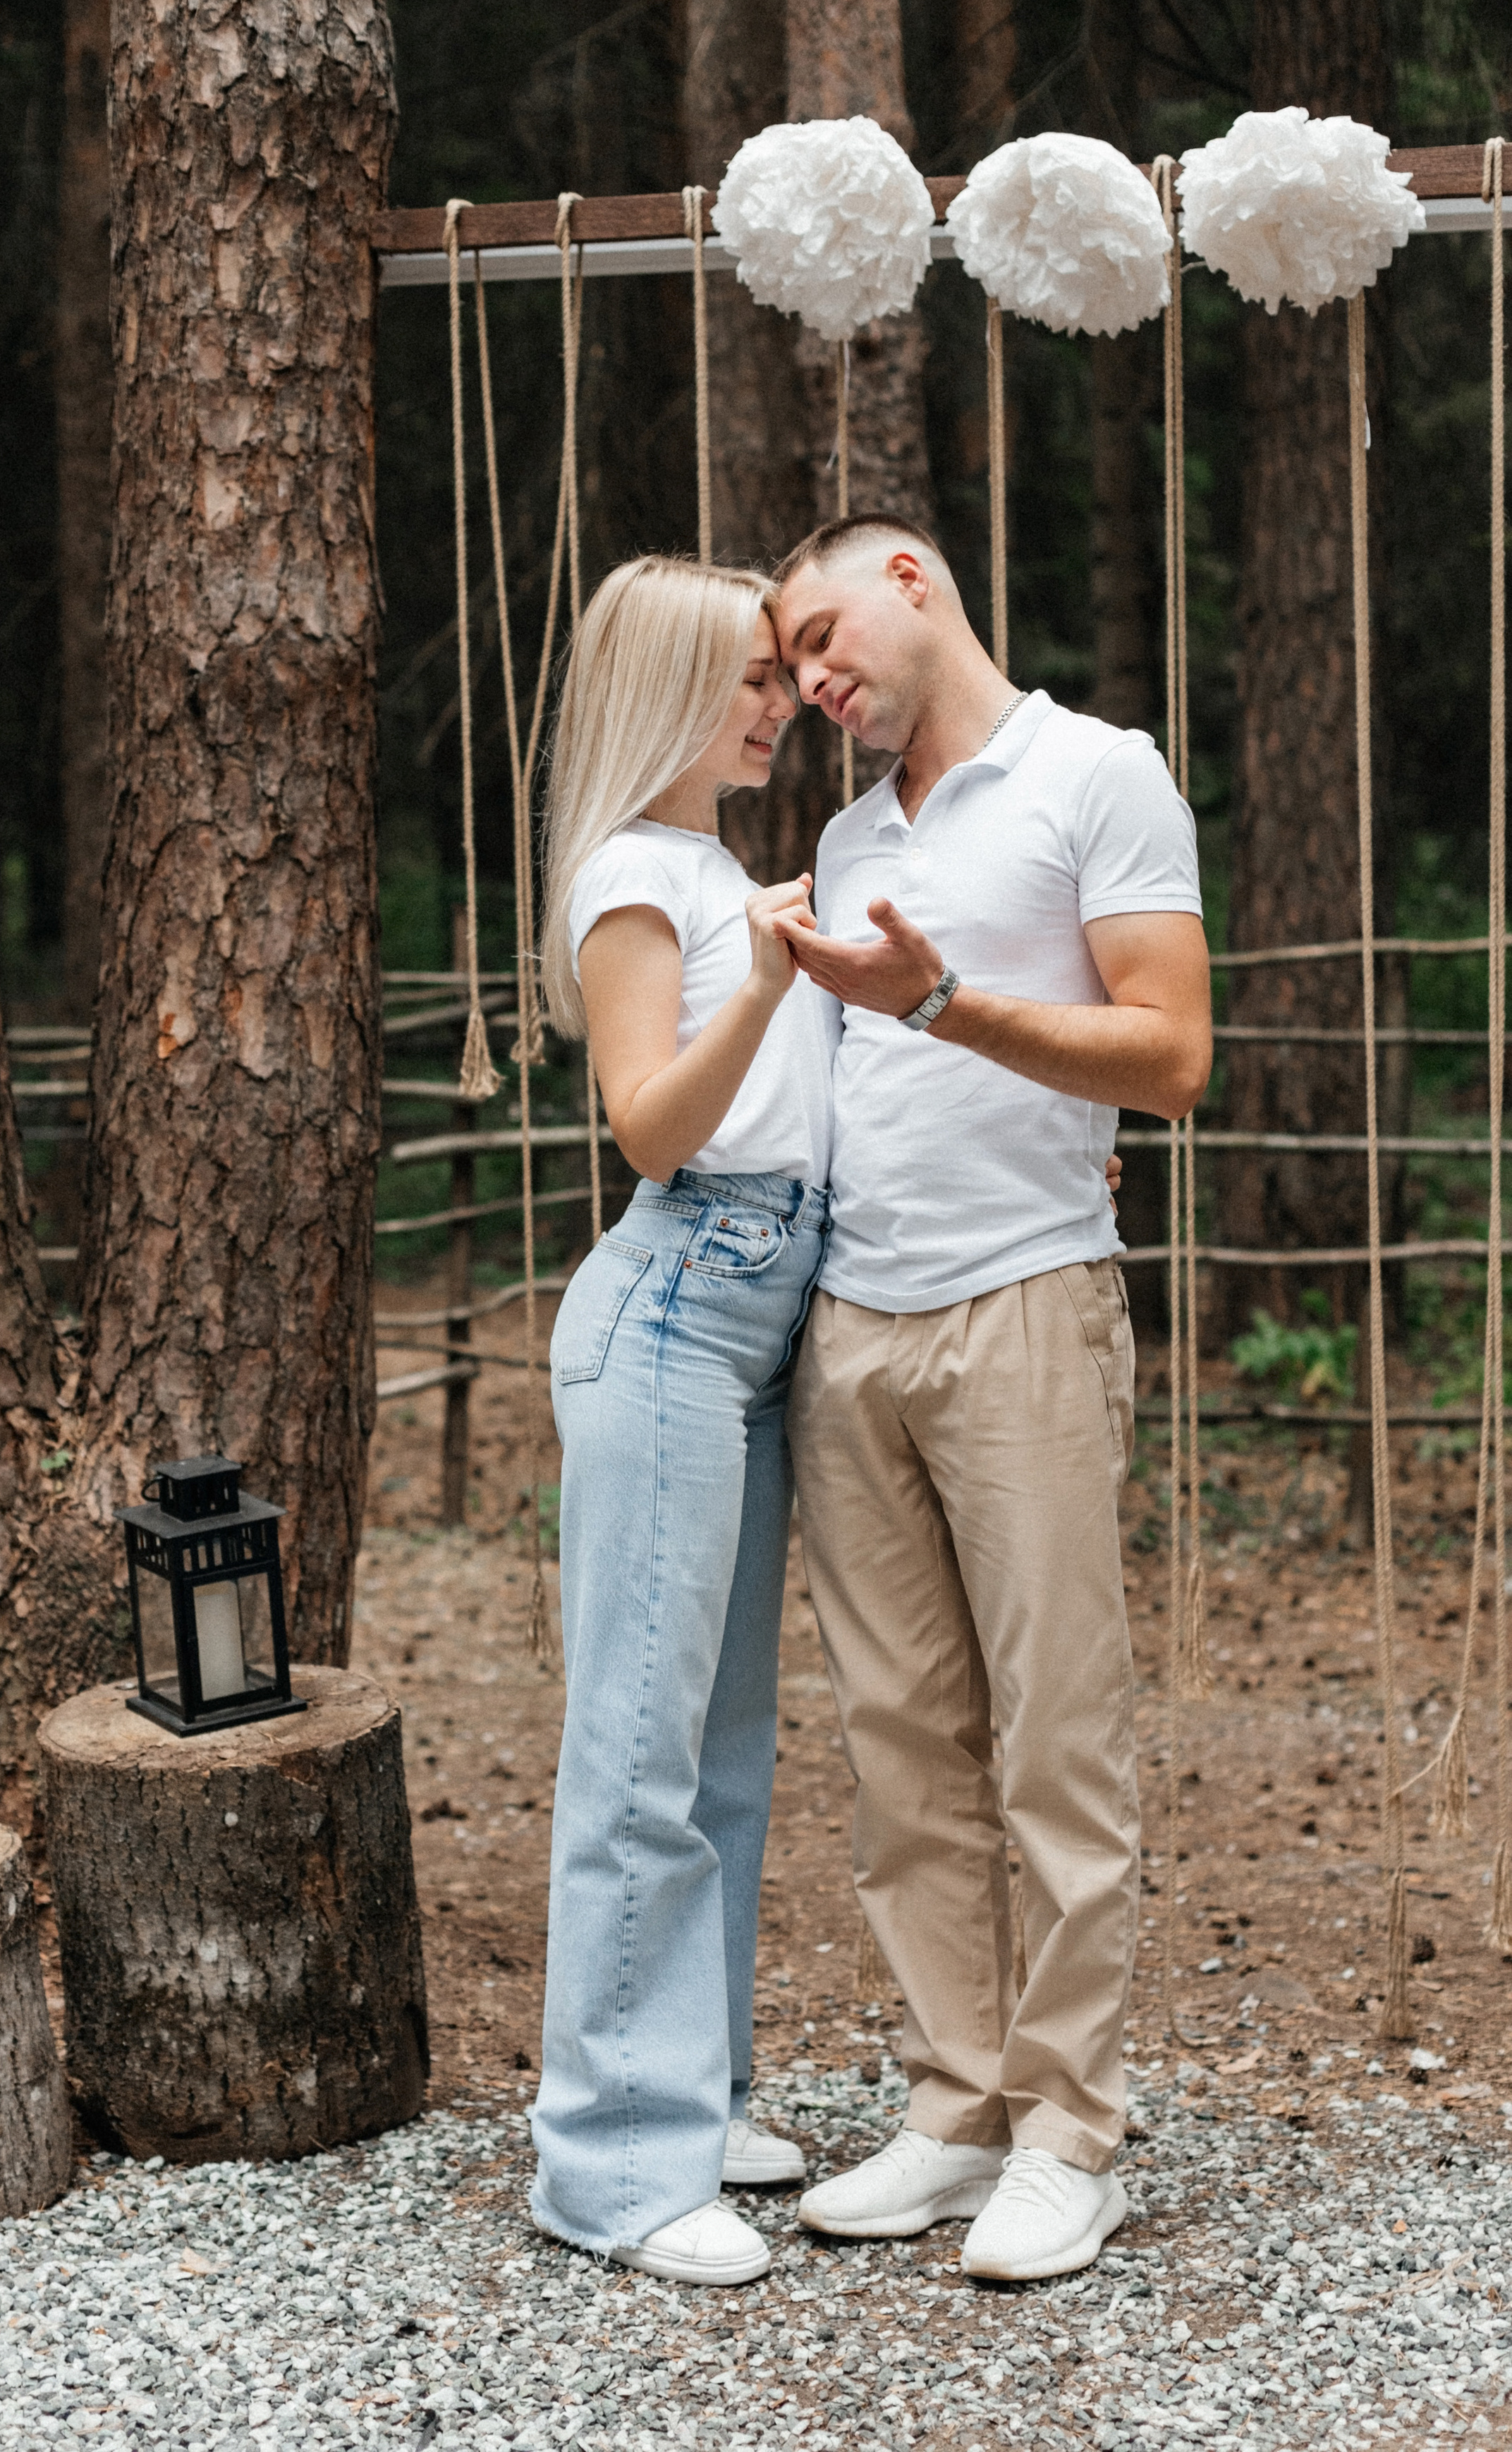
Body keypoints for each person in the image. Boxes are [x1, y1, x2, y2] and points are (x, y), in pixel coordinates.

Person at [773, 515, 1212, 2285]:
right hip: (849, 1328)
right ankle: (957, 2106)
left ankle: (1069, 2130)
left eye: (822, 634)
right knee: (902, 1753)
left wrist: (942, 999)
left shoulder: (1096, 772)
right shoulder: (844, 831)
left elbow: (1172, 1056)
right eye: (787, 665)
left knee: (1053, 1741)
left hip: (1024, 1307)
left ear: (912, 579)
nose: (810, 680)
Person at [525, 553, 837, 2290]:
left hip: (754, 1314)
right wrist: (779, 979)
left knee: (716, 1753)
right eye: (744, 675)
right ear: (660, 685)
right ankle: (611, 2168)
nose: (776, 700)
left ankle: (687, 2096)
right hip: (674, 1307)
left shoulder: (712, 867)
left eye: (782, 674)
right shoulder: (631, 879)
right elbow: (650, 1122)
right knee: (636, 1750)